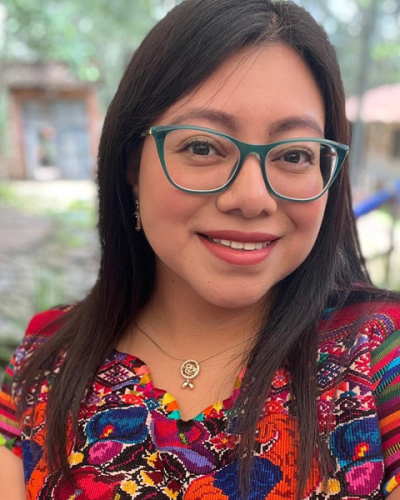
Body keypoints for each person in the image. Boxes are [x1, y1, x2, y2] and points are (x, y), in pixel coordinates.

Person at [1, 0, 399, 498]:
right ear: (131, 166)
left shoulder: (381, 356)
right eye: (203, 147)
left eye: (295, 154)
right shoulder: (45, 360)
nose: (252, 198)